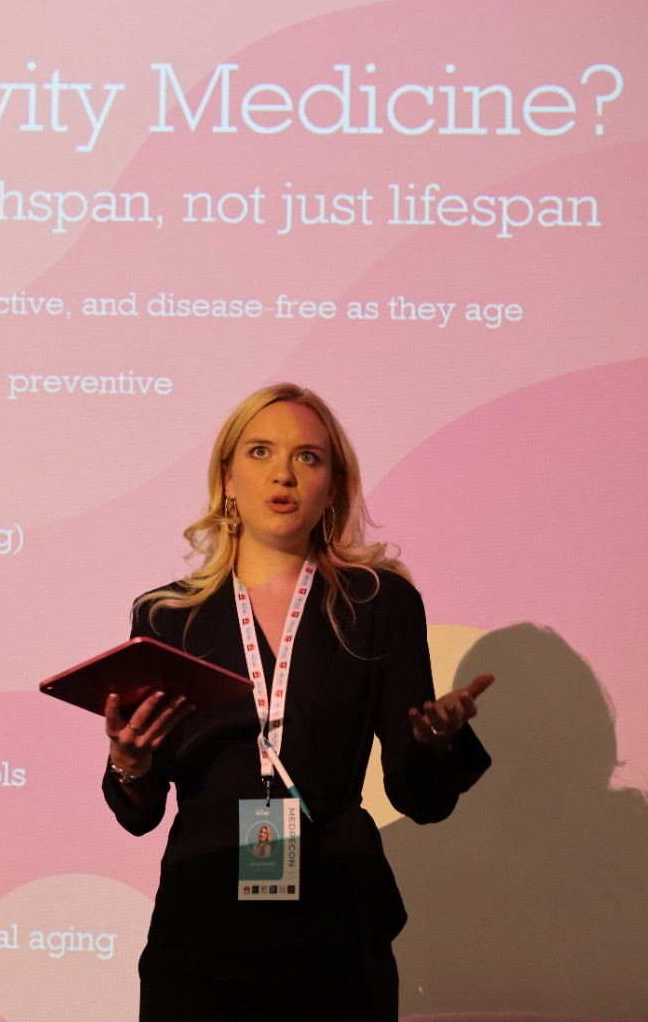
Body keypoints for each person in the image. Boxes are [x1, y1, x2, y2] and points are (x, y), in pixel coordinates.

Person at [103, 383, 493, 1022]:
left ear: (333, 487)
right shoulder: (167, 616)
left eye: (307, 457)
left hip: (335, 923)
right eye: (260, 452)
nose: (282, 473)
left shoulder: (380, 605)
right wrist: (131, 763)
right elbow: (139, 813)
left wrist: (435, 743)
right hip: (201, 926)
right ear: (227, 480)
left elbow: (419, 799)